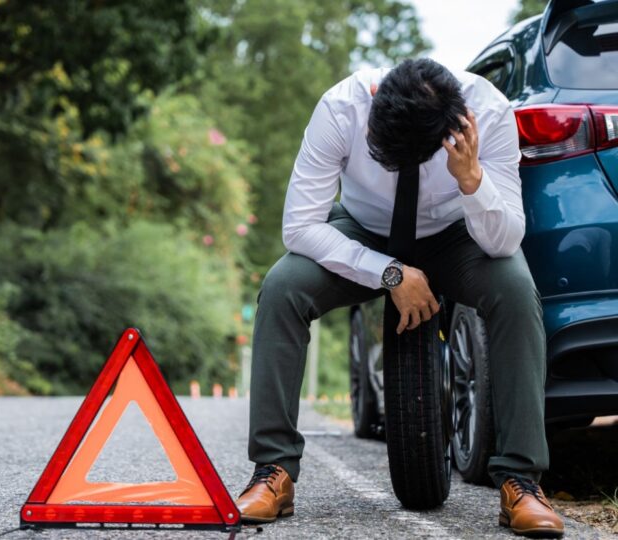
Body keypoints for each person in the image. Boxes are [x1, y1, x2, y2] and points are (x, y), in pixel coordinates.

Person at [234, 58, 565, 538]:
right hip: (365, 232)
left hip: (459, 234)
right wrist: (388, 272)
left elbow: (503, 242)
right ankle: (274, 472)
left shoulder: (489, 112)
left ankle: (521, 480)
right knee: (283, 288)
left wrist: (472, 179)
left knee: (515, 289)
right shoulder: (341, 108)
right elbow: (300, 227)